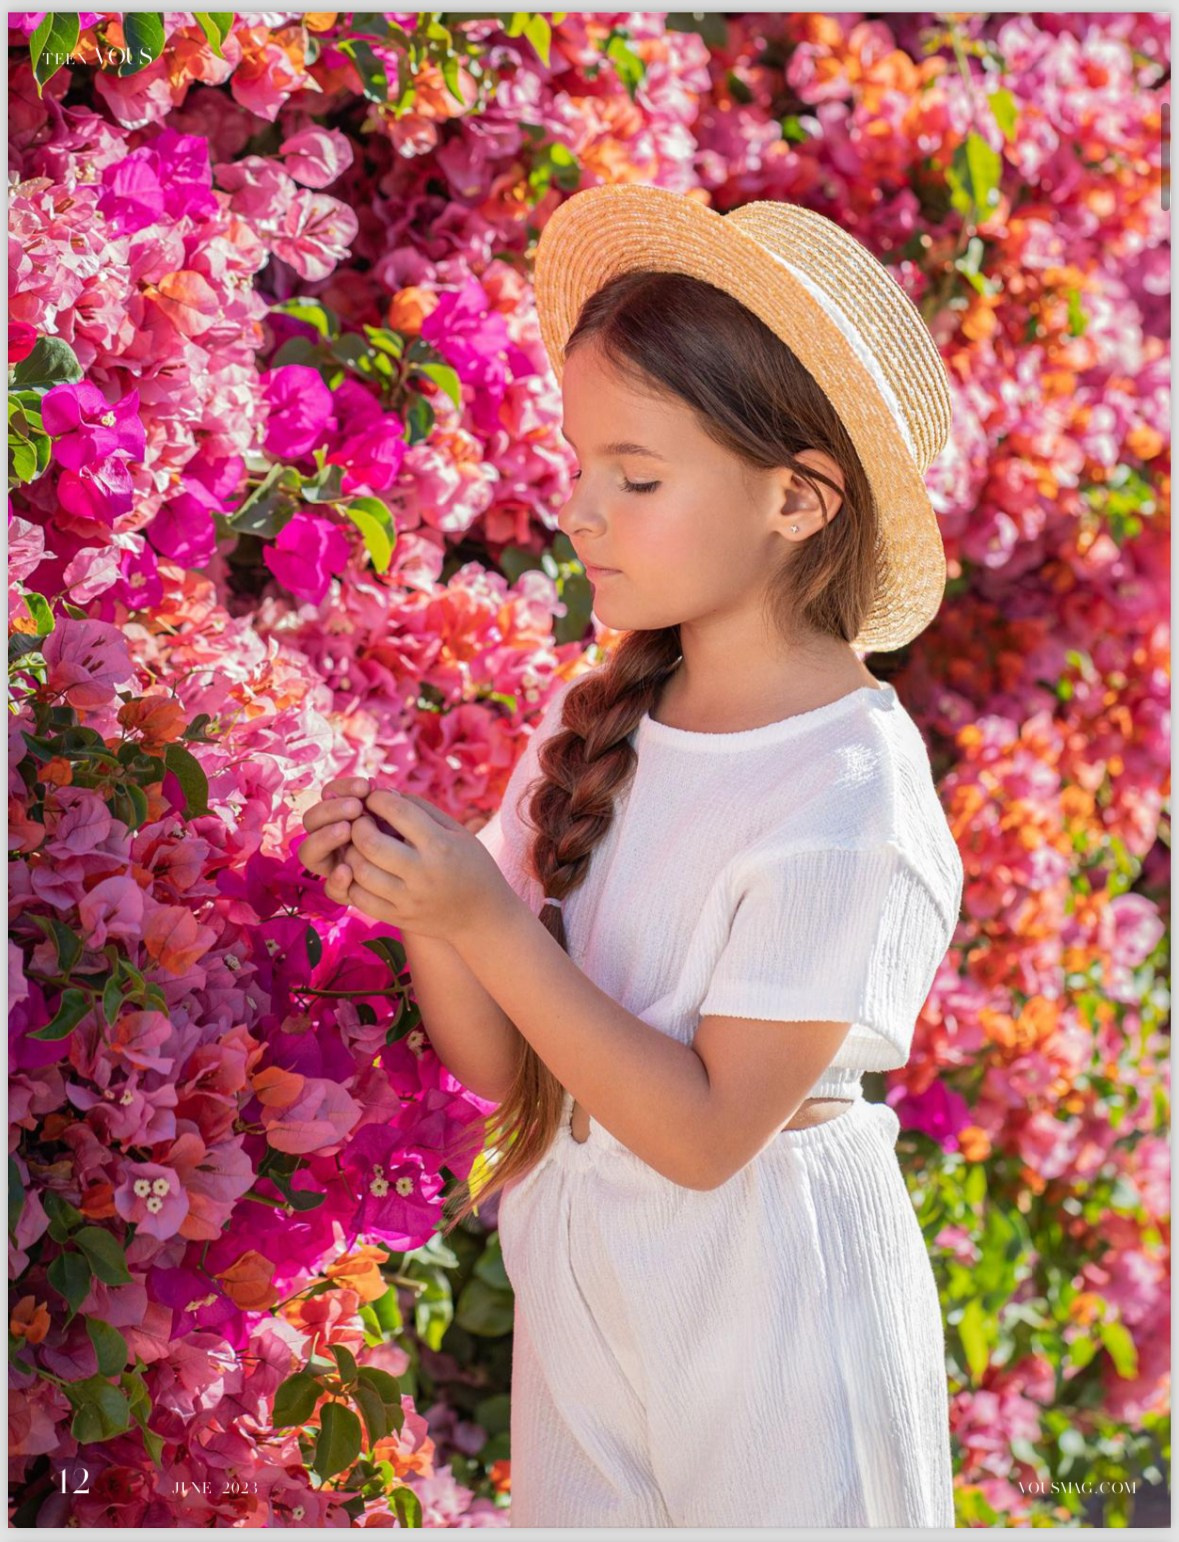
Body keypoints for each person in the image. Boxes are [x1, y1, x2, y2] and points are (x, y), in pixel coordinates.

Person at [299, 184, 965, 1529]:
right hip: (588, 1256)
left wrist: (485, 918)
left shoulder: (849, 788)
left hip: (774, 1297)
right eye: (583, 465)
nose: (584, 510)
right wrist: (424, 895)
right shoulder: (602, 714)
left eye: (638, 476)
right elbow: (509, 1064)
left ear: (797, 498)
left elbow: (712, 1131)